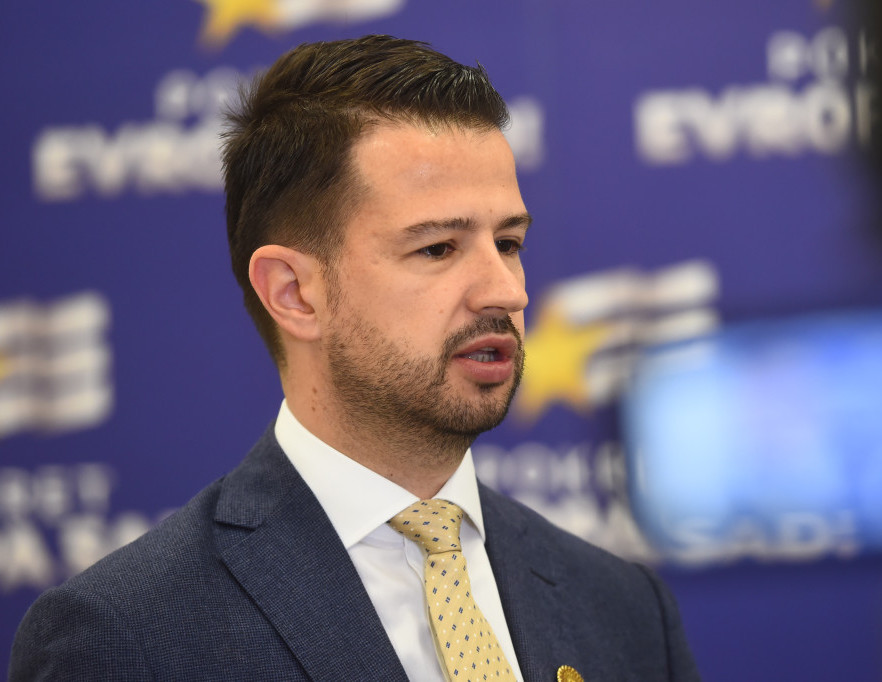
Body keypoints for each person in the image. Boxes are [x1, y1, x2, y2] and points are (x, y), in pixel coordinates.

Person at [10, 35, 700, 681]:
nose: (507, 290)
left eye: (508, 243)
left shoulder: (624, 609)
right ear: (294, 293)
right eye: (437, 248)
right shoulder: (125, 637)